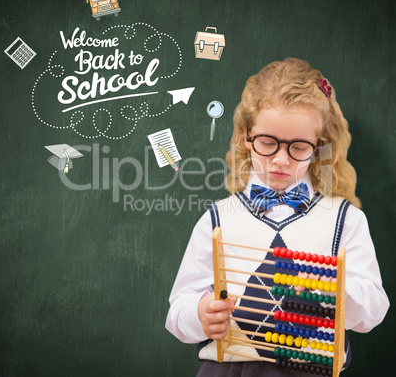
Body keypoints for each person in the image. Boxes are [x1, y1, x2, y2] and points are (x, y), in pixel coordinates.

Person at [165, 58, 389, 376]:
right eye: (268, 142)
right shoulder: (217, 219)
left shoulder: (345, 219)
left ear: (319, 147)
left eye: (298, 147)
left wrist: (333, 292)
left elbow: (373, 312)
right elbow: (179, 311)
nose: (280, 160)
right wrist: (199, 313)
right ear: (247, 136)